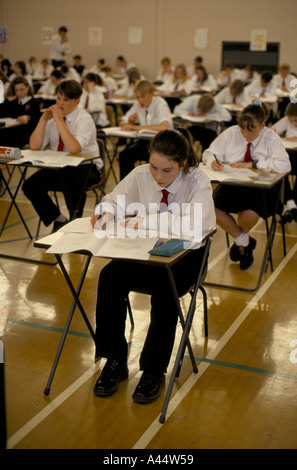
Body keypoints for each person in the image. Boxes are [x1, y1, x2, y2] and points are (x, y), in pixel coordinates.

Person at [91, 127, 216, 403]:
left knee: (164, 288)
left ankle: (154, 370)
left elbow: (196, 227)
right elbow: (113, 199)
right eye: (154, 167)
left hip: (185, 258)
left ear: (182, 163)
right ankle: (114, 359)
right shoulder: (140, 175)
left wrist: (145, 222)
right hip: (144, 251)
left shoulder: (197, 181)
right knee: (110, 276)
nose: (158, 176)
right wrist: (104, 212)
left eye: (167, 171)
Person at [203, 101, 291, 270]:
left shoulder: (270, 137)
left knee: (249, 216)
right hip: (234, 183)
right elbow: (209, 152)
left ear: (263, 125)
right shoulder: (231, 133)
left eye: (251, 129)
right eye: (242, 128)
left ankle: (241, 241)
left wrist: (254, 164)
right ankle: (243, 241)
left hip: (261, 188)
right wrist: (213, 161)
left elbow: (285, 165)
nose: (245, 133)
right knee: (210, 206)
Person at [22, 80, 102, 232]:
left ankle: (75, 222)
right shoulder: (52, 119)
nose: (60, 103)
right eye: (58, 98)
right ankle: (59, 219)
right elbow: (35, 145)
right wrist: (43, 119)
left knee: (70, 180)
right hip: (59, 166)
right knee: (30, 185)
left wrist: (59, 120)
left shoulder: (83, 118)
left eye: (66, 100)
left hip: (87, 167)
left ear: (77, 101)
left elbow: (74, 148)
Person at [118, 79, 173, 179]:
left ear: (152, 94)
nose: (140, 100)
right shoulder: (138, 104)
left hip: (163, 145)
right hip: (145, 143)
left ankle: (150, 192)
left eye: (143, 97)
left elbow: (164, 126)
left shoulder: (160, 104)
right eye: (137, 97)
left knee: (153, 163)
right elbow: (122, 121)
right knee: (124, 156)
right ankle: (126, 192)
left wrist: (135, 127)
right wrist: (129, 122)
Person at [0, 76, 41, 148]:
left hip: (24, 135)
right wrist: (7, 101)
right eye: (16, 90)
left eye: (22, 89)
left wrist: (28, 117)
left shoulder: (33, 102)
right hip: (10, 133)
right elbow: (3, 114)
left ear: (27, 87)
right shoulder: (13, 102)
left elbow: (37, 118)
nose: (19, 93)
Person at [274, 101, 297, 222]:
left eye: (296, 120)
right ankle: (292, 204)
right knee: (280, 172)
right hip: (289, 155)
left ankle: (292, 207)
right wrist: (281, 138)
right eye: (291, 121)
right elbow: (271, 131)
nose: (293, 123)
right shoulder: (287, 120)